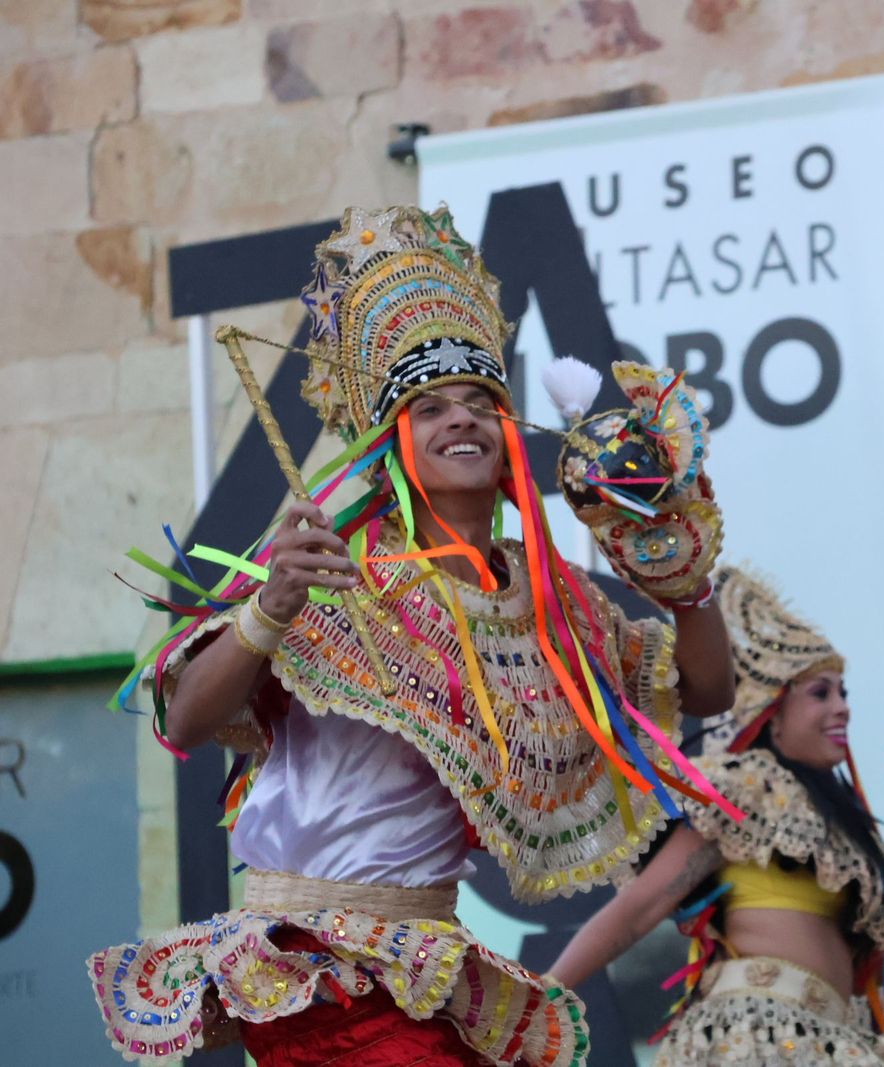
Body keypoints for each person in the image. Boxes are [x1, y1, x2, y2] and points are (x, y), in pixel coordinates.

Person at [85, 203, 736, 1066]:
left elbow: (706, 690)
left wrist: (682, 579)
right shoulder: (329, 567)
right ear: (394, 441)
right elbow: (186, 724)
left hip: (426, 962)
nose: (459, 418)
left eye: (479, 403)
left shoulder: (548, 600)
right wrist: (268, 608)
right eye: (430, 407)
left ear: (511, 440)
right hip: (313, 965)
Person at [548, 567, 884, 1066]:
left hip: (832, 1043)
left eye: (843, 693)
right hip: (755, 1037)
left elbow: (874, 964)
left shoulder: (845, 829)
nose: (842, 709)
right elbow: (637, 910)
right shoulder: (743, 791)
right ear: (773, 712)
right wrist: (543, 995)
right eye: (820, 693)